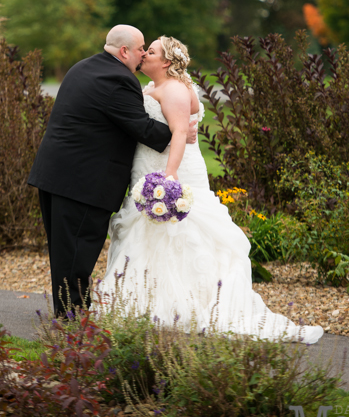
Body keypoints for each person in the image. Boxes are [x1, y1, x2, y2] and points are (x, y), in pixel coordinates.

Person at [98, 35, 324, 345]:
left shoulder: (176, 89)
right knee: (146, 236)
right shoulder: (150, 87)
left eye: (150, 51)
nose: (144, 55)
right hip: (146, 168)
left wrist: (170, 177)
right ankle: (146, 303)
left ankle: (188, 305)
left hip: (171, 170)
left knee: (183, 236)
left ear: (165, 62)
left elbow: (179, 134)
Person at [27, 24, 198, 315]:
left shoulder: (83, 67)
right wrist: (178, 132)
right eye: (141, 48)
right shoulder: (119, 79)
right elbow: (140, 127)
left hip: (55, 174)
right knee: (77, 252)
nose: (143, 54)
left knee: (64, 251)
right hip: (83, 182)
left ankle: (68, 312)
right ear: (124, 51)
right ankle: (73, 318)